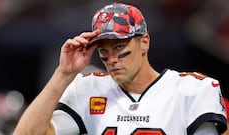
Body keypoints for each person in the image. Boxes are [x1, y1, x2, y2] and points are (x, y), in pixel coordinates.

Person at [13, 2, 227, 135]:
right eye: (103, 50)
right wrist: (63, 74)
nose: (112, 58)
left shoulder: (192, 89)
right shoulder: (87, 88)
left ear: (144, 42)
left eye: (119, 47)